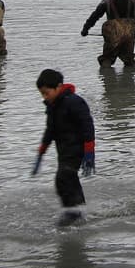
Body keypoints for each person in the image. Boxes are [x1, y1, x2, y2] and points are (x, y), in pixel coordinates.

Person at [31, 69, 96, 227]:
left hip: (77, 148)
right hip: (63, 148)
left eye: (47, 93)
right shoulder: (52, 106)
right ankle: (75, 210)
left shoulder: (75, 102)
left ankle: (74, 212)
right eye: (42, 94)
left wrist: (89, 152)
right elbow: (50, 130)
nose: (45, 97)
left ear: (58, 87)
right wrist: (42, 150)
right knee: (66, 179)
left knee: (64, 176)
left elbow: (88, 126)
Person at [81, 0, 135, 68]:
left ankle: (107, 78)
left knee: (107, 59)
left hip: (112, 35)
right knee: (129, 61)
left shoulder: (106, 1)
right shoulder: (132, 0)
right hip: (129, 35)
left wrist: (86, 29)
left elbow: (95, 16)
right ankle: (130, 79)